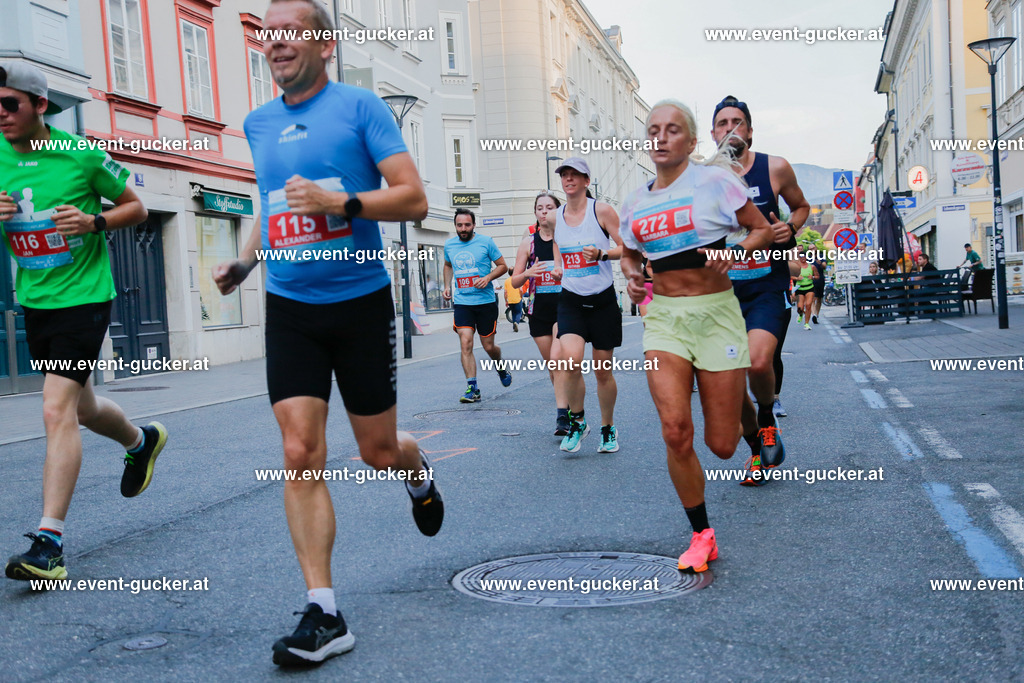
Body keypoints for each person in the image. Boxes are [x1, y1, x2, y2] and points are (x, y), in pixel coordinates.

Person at [212, 0, 441, 665]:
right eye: (268, 33)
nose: (275, 42)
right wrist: (246, 260)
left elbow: (414, 197)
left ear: (323, 45)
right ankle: (324, 610)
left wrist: (342, 202)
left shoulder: (360, 107)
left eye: (290, 32)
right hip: (290, 307)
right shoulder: (257, 122)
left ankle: (415, 467)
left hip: (360, 302)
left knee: (375, 450)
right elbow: (273, 199)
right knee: (298, 449)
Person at [1, 62, 166, 582]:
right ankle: (141, 442)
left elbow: (138, 208)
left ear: (40, 105)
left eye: (10, 104)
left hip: (85, 298)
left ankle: (49, 544)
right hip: (37, 297)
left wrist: (94, 220)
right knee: (83, 404)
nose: (1, 115)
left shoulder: (79, 154)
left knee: (56, 410)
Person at [621, 99, 773, 572]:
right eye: (653, 130)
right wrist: (631, 275)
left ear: (689, 140)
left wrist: (739, 253)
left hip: (717, 315)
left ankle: (752, 428)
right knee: (675, 431)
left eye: (671, 130)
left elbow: (761, 230)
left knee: (720, 445)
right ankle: (701, 534)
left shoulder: (716, 182)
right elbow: (629, 253)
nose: (661, 137)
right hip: (664, 319)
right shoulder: (634, 202)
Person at [710, 95, 810, 482]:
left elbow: (801, 207)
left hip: (767, 286)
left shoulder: (775, 168)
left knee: (756, 361)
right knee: (731, 380)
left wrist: (791, 227)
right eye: (723, 123)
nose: (730, 128)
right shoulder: (703, 177)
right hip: (720, 293)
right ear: (713, 132)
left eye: (738, 122)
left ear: (749, 131)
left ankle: (767, 417)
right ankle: (756, 452)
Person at [552, 157, 623, 454]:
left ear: (585, 181)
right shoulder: (555, 216)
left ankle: (608, 428)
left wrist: (603, 255)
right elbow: (556, 244)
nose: (568, 179)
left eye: (574, 175)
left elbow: (629, 247)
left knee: (603, 371)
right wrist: (558, 266)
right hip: (571, 299)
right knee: (569, 362)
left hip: (603, 299)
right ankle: (578, 422)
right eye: (564, 175)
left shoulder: (602, 211)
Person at [510, 191, 569, 434]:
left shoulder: (566, 238)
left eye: (549, 207)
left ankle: (562, 418)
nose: (544, 212)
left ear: (557, 211)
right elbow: (514, 281)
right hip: (538, 310)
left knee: (558, 360)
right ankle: (570, 409)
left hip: (565, 306)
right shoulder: (529, 243)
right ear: (535, 213)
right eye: (539, 208)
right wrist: (527, 274)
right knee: (553, 367)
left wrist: (562, 271)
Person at [443, 208, 511, 402]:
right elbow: (448, 265)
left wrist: (488, 277)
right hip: (463, 302)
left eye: (467, 225)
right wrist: (447, 286)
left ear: (474, 225)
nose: (463, 229)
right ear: (455, 225)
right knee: (466, 342)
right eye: (459, 225)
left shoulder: (486, 242)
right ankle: (472, 388)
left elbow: (502, 266)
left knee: (489, 346)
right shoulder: (449, 245)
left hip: (485, 302)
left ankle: (499, 365)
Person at [793, 255, 816, 330]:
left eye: (804, 257)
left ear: (806, 258)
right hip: (800, 288)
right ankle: (800, 314)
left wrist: (812, 277)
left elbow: (817, 276)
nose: (802, 258)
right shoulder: (796, 267)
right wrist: (797, 278)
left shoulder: (811, 266)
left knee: (808, 305)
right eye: (801, 257)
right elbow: (790, 276)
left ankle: (806, 324)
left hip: (809, 287)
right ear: (799, 258)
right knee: (800, 308)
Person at [810, 256, 826, 324]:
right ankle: (814, 314)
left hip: (820, 280)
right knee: (813, 298)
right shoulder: (808, 258)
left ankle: (816, 314)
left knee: (819, 298)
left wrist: (820, 263)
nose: (812, 250)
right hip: (810, 280)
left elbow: (824, 266)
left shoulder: (821, 257)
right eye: (811, 248)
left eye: (813, 248)